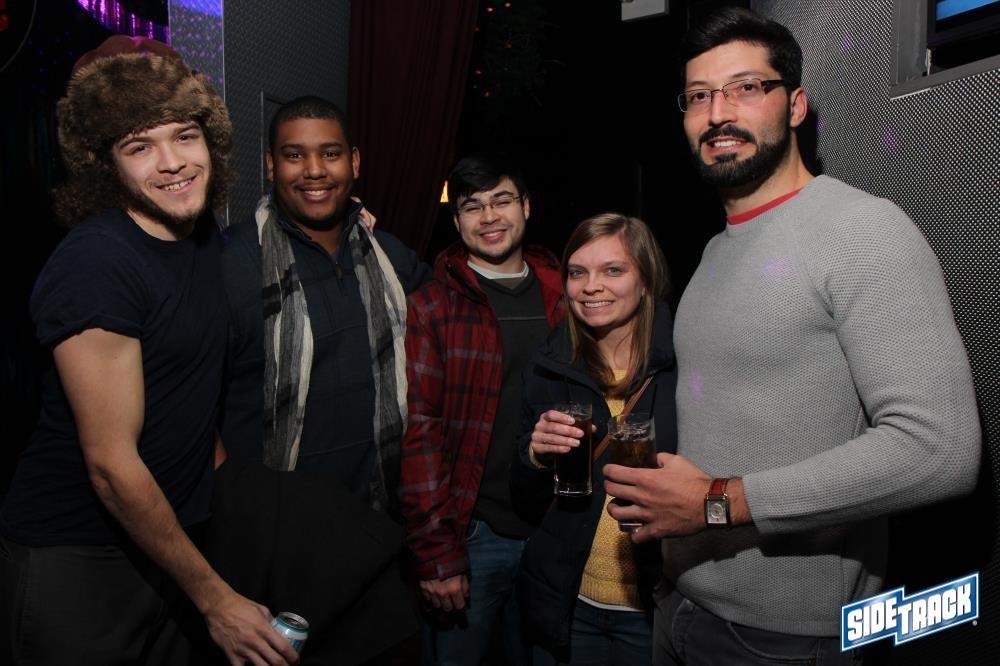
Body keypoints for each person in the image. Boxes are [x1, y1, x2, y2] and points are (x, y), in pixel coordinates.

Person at [601, 7, 982, 665]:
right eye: (699, 96)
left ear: (797, 105)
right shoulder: (716, 251)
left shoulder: (863, 231)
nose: (718, 113)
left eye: (746, 87)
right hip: (681, 604)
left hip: (786, 639)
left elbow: (939, 449)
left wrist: (716, 504)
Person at [0, 35, 298, 665]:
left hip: (171, 546)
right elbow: (111, 466)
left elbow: (189, 390)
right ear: (104, 164)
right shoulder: (96, 264)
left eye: (184, 136)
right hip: (81, 559)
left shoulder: (199, 239)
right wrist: (215, 600)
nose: (172, 163)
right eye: (139, 146)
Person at [214, 95, 429, 664]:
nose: (314, 170)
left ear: (354, 161)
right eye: (294, 155)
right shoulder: (230, 263)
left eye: (330, 153)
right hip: (270, 549)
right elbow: (187, 405)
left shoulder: (389, 257)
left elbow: (461, 324)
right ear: (270, 165)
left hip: (375, 537)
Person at [400, 154, 565, 664]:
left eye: (502, 201)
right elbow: (420, 434)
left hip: (556, 528)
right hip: (474, 535)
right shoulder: (433, 306)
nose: (489, 217)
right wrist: (436, 553)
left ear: (526, 206)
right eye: (473, 207)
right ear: (457, 221)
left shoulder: (566, 294)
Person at [512, 213, 678, 665]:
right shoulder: (549, 365)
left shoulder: (684, 365)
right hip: (570, 603)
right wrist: (535, 455)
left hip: (653, 608)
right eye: (577, 272)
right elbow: (523, 502)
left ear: (646, 279)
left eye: (613, 270)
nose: (591, 287)